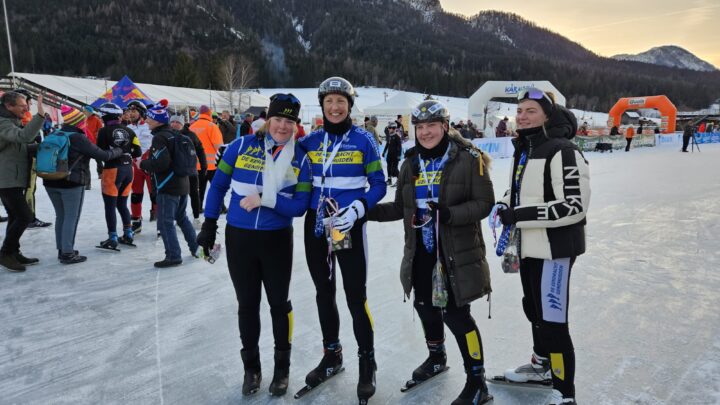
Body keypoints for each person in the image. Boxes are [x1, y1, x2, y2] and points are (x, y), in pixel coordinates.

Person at [369, 100, 495, 405]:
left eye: (432, 126)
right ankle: (436, 357)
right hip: (421, 252)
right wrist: (365, 212)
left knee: (457, 315)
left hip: (453, 252)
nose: (425, 133)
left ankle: (477, 381)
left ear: (445, 126)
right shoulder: (410, 163)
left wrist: (449, 214)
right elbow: (401, 207)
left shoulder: (469, 159)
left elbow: (484, 203)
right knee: (425, 306)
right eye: (420, 127)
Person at [196, 93, 311, 397]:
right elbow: (218, 186)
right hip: (240, 238)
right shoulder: (240, 146)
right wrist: (209, 224)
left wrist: (265, 200)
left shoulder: (300, 157)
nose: (283, 126)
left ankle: (282, 370)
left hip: (276, 239)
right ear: (267, 120)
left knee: (278, 304)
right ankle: (252, 369)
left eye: (289, 121)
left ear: (296, 125)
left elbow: (300, 206)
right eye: (278, 119)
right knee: (247, 305)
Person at [496, 88, 590, 405]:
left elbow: (574, 206)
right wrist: (504, 204)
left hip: (555, 250)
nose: (522, 116)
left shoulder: (562, 150)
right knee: (533, 310)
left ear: (547, 115)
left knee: (553, 322)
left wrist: (518, 214)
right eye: (519, 111)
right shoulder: (524, 148)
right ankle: (540, 365)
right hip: (528, 247)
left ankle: (565, 393)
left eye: (530, 111)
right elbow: (522, 193)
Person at [297, 77, 386, 402]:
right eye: (329, 102)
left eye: (341, 102)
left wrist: (358, 209)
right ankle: (332, 353)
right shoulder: (310, 140)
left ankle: (367, 359)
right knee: (324, 291)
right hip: (316, 223)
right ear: (322, 106)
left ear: (349, 105)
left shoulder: (364, 139)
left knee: (354, 295)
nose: (335, 108)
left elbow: (379, 183)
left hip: (344, 223)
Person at [44, 106, 123, 264]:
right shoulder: (78, 138)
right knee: (71, 217)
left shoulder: (54, 133)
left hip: (50, 180)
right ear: (78, 122)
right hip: (71, 182)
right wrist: (118, 150)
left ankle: (62, 248)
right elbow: (103, 155)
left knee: (61, 216)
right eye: (83, 120)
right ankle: (67, 253)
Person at [140, 100, 199, 267]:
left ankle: (173, 256)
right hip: (182, 184)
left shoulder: (160, 137)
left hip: (168, 186)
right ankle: (196, 248)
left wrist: (142, 164)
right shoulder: (175, 134)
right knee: (182, 218)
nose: (146, 121)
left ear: (158, 120)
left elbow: (161, 164)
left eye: (150, 118)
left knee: (166, 222)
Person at [0, 92, 46, 272]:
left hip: (12, 177)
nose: (26, 108)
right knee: (25, 216)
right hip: (5, 178)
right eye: (22, 106)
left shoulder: (10, 121)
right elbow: (22, 137)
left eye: (27, 105)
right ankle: (5, 253)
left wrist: (40, 147)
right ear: (9, 106)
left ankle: (13, 252)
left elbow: (17, 146)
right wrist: (40, 115)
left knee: (14, 215)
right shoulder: (3, 123)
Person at [96, 102, 142, 250]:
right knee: (122, 203)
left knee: (110, 205)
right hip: (128, 169)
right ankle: (128, 233)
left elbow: (101, 152)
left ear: (105, 116)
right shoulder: (130, 131)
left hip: (112, 170)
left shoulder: (104, 131)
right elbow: (138, 152)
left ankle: (113, 237)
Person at [15, 89, 52, 230]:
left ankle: (28, 217)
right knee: (29, 189)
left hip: (29, 158)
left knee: (30, 189)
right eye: (28, 103)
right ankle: (29, 218)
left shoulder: (26, 118)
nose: (29, 106)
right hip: (27, 160)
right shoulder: (21, 120)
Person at [170, 114, 207, 224]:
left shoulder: (191, 135)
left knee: (194, 194)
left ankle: (196, 217)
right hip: (174, 171)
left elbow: (200, 150)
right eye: (173, 122)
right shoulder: (167, 135)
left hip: (190, 170)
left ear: (182, 124)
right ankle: (178, 217)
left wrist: (203, 165)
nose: (175, 124)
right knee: (177, 195)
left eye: (178, 122)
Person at [126, 100, 156, 232]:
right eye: (129, 111)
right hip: (135, 166)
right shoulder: (128, 128)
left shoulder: (149, 127)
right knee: (136, 194)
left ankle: (158, 219)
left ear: (142, 113)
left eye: (134, 111)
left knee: (154, 194)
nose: (131, 114)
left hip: (149, 165)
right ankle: (136, 220)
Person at [190, 105, 224, 213]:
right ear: (209, 114)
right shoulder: (212, 126)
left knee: (199, 188)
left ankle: (199, 207)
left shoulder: (192, 127)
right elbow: (219, 147)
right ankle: (220, 207)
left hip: (196, 165)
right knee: (216, 188)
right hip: (212, 165)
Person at [383, 121, 402, 186]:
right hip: (389, 155)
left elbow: (399, 147)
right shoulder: (389, 136)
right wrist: (384, 152)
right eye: (388, 127)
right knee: (388, 167)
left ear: (394, 128)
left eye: (390, 128)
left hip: (395, 155)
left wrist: (399, 155)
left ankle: (399, 180)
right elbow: (387, 144)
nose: (388, 129)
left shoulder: (397, 137)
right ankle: (389, 180)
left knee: (394, 168)